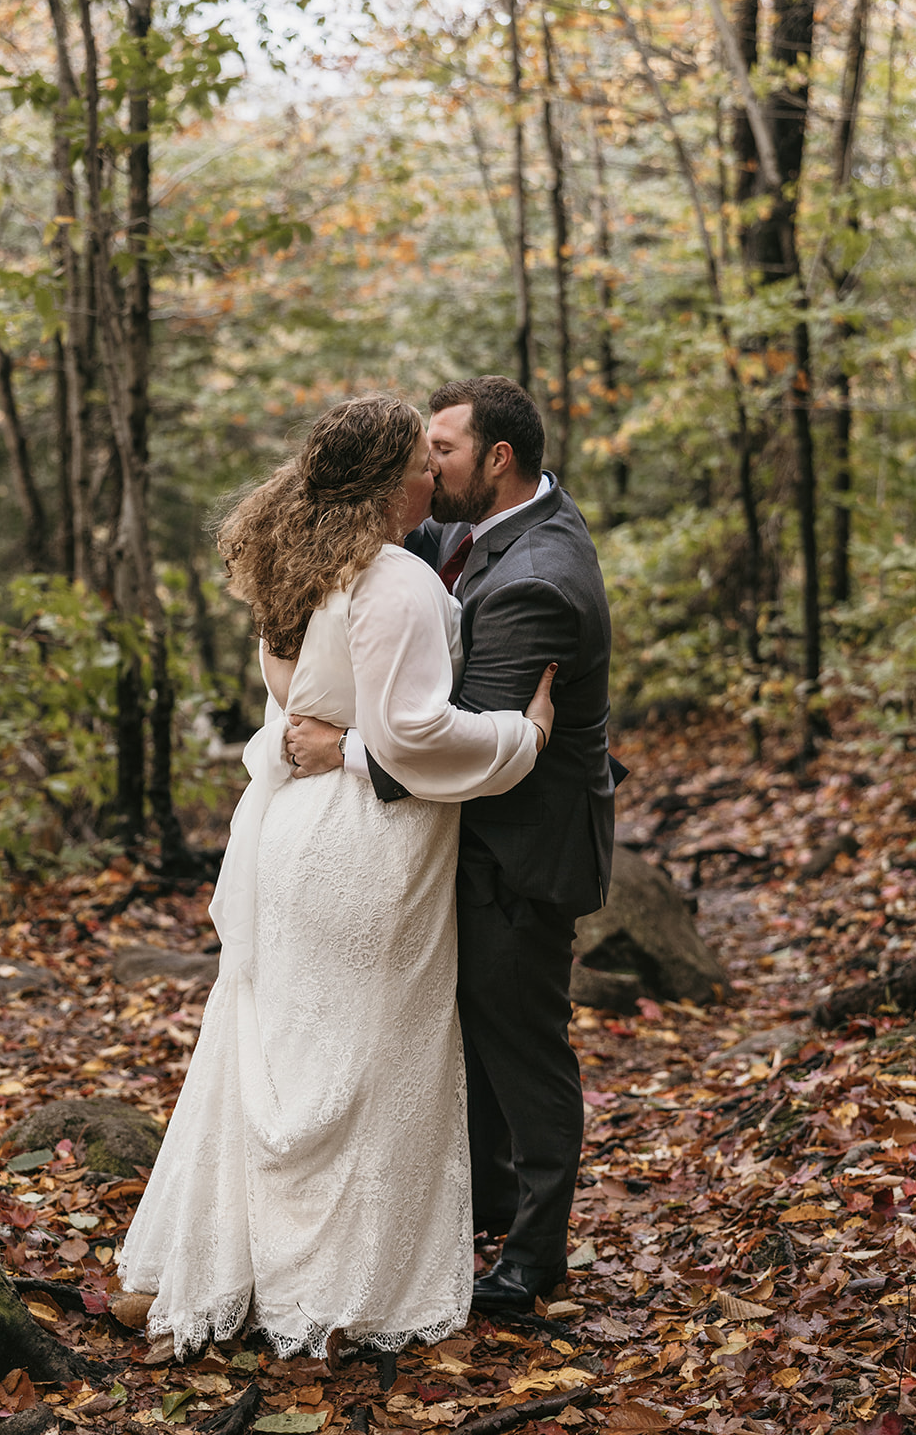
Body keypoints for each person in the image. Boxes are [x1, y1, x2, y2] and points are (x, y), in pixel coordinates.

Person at [118, 395, 556, 1361]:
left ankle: (255, 1269)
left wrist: (335, 740)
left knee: (285, 1055)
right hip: (368, 839)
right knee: (368, 1062)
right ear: (380, 481)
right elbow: (413, 735)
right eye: (416, 465)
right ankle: (339, 1290)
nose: (430, 480)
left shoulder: (294, 558)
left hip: (292, 834)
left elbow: (300, 706)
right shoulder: (391, 577)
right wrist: (520, 738)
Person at [286, 377, 617, 1314]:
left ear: (497, 460)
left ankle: (534, 1255)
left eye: (442, 451)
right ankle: (489, 1208)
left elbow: (459, 738)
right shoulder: (482, 530)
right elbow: (377, 527)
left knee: (521, 1046)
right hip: (469, 842)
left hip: (519, 848)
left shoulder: (536, 581)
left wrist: (339, 748)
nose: (425, 469)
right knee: (469, 1038)